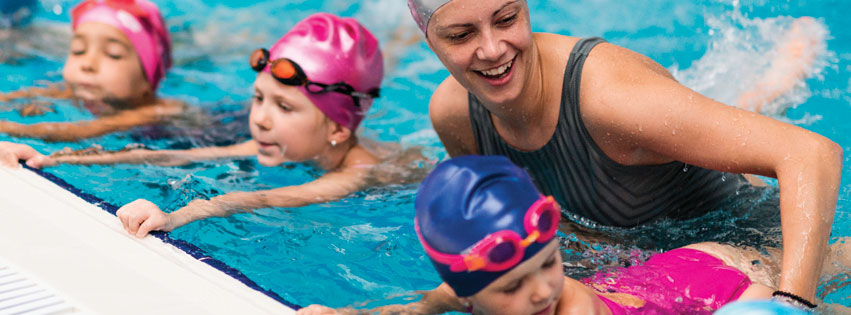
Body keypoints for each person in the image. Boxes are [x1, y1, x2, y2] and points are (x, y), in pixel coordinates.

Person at [406, 0, 842, 303]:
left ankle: (782, 75)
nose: (492, 49)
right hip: (634, 266)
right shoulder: (454, 114)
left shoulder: (609, 99)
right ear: (430, 40)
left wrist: (792, 304)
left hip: (751, 244)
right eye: (462, 35)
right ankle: (766, 89)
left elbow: (810, 153)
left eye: (506, 19)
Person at [0, 13, 427, 237]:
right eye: (258, 98)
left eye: (284, 106)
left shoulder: (358, 173)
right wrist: (51, 159)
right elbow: (172, 154)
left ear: (338, 128)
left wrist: (175, 216)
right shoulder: (277, 139)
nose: (258, 117)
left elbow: (263, 197)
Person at [296, 156, 849, 314]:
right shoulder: (467, 294)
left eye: (546, 265)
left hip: (722, 286)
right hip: (670, 274)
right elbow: (438, 300)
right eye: (511, 287)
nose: (540, 291)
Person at [0, 0, 181, 142]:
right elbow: (18, 96)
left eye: (113, 54)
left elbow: (76, 131)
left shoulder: (153, 111)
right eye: (79, 50)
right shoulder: (80, 88)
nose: (88, 64)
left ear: (147, 82)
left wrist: (8, 127)